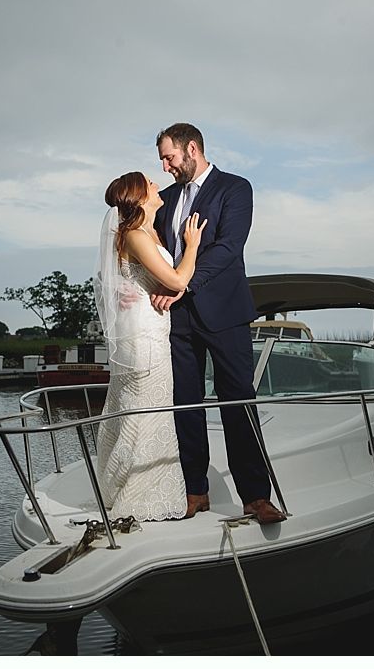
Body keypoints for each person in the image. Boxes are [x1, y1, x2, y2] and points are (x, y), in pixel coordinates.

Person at [151, 122, 284, 524]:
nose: (166, 166)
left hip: (224, 312)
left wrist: (183, 284)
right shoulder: (164, 198)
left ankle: (256, 497)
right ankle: (194, 491)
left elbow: (229, 246)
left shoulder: (235, 188)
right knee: (185, 405)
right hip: (177, 318)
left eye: (169, 157)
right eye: (161, 160)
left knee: (238, 401)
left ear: (192, 149)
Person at [94, 172, 206, 521]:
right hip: (145, 335)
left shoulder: (148, 232)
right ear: (140, 196)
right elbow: (174, 280)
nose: (158, 185)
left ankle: (125, 482)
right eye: (151, 183)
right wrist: (193, 246)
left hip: (152, 328)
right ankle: (138, 493)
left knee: (146, 409)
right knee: (146, 410)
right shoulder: (135, 235)